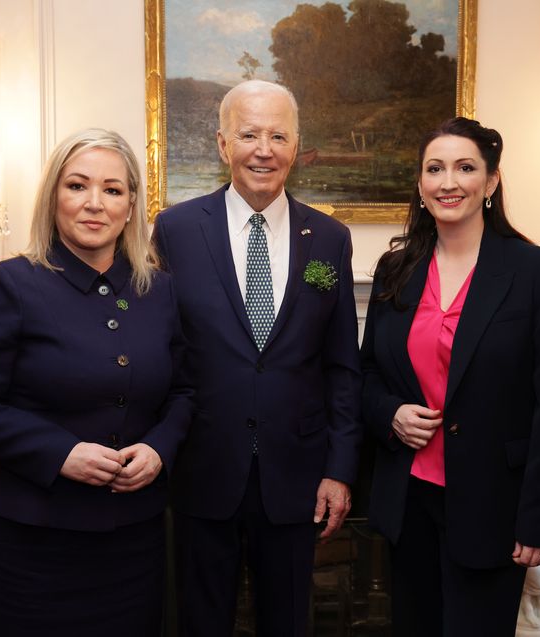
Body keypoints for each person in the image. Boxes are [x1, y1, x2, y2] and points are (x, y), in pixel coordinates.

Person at [0, 128, 191, 636]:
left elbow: (185, 392)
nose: (94, 204)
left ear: (131, 204)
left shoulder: (160, 290)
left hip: (134, 536)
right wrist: (62, 453)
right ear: (53, 196)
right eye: (77, 186)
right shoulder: (11, 283)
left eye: (113, 189)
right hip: (35, 538)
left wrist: (159, 449)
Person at [153, 79, 362, 636]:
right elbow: (163, 354)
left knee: (288, 624)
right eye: (249, 134)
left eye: (278, 135)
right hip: (202, 470)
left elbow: (342, 366)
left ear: (297, 147)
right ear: (224, 145)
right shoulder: (174, 230)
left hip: (296, 478)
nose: (263, 149)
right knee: (199, 623)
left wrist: (339, 470)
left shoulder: (330, 239)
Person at [360, 117, 540, 636]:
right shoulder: (397, 270)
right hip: (408, 499)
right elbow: (365, 374)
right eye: (434, 169)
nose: (447, 182)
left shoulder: (532, 272)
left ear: (491, 181)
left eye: (464, 167)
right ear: (420, 183)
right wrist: (390, 414)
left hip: (492, 506)